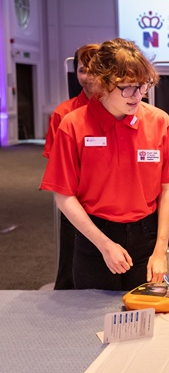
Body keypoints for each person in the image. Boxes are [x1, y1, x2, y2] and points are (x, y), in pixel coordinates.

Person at [40, 38, 169, 291]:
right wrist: (104, 244)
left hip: (147, 238)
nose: (138, 95)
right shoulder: (73, 125)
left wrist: (160, 251)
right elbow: (63, 195)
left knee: (144, 320)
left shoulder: (159, 121)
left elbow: (168, 188)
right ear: (104, 83)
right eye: (128, 87)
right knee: (93, 321)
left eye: (143, 86)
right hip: (94, 238)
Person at [43, 43, 99, 290]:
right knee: (70, 269)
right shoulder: (63, 114)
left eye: (95, 70)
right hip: (74, 206)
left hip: (111, 206)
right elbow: (57, 169)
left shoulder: (124, 111)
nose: (88, 78)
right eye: (83, 70)